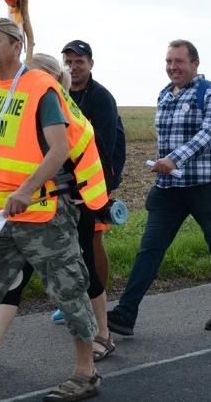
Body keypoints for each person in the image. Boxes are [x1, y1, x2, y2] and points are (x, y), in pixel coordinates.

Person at [0, 17, 107, 400]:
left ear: (15, 46)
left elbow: (59, 148)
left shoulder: (41, 87)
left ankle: (85, 372)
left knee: (69, 290)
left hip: (43, 211)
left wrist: (26, 188)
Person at [107, 39, 211, 336]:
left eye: (179, 61)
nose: (172, 67)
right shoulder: (165, 96)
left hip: (205, 185)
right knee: (150, 248)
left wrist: (173, 159)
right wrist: (163, 165)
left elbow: (209, 134)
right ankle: (126, 314)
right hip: (168, 189)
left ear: (195, 63)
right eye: (168, 61)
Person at [62, 40, 126, 301]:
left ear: (91, 64)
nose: (73, 67)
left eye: (79, 61)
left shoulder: (100, 96)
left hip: (95, 177)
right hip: (67, 179)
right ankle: (77, 297)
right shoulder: (61, 94)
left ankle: (99, 297)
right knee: (69, 241)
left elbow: (105, 144)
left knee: (93, 238)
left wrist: (93, 184)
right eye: (68, 61)